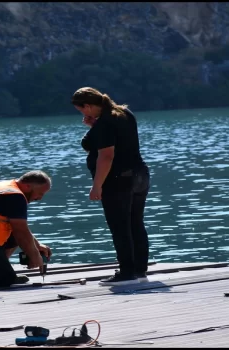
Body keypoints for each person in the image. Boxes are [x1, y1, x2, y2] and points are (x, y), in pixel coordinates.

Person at [71, 87, 151, 286]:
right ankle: (139, 269)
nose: (82, 113)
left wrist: (97, 186)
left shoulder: (106, 123)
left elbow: (106, 156)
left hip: (118, 179)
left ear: (88, 106)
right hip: (139, 175)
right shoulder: (124, 113)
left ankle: (126, 273)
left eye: (81, 110)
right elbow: (121, 139)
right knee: (135, 222)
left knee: (119, 226)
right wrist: (95, 126)